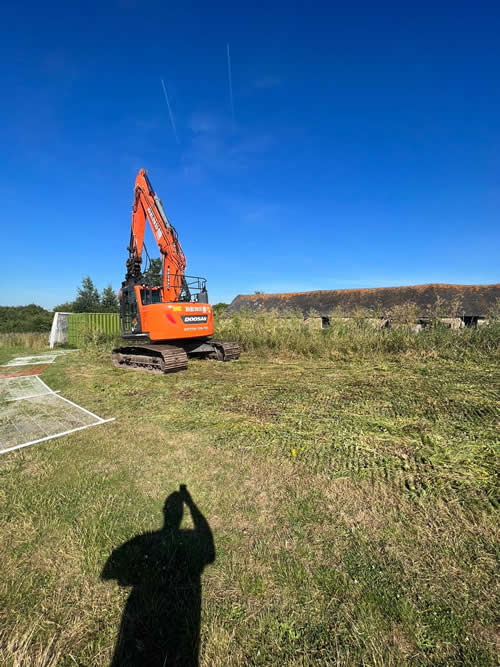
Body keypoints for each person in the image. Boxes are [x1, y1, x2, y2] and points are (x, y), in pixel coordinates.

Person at [102, 485, 215, 666]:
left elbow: (114, 575)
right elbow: (209, 550)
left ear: (164, 511)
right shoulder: (184, 538)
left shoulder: (146, 541)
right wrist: (191, 504)